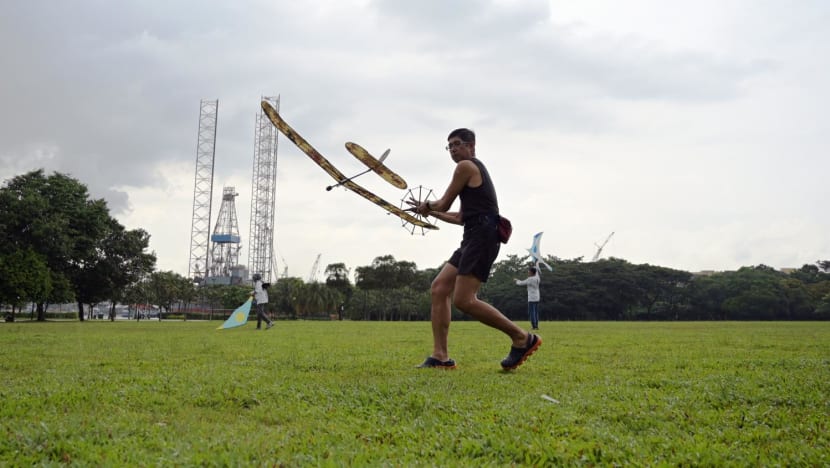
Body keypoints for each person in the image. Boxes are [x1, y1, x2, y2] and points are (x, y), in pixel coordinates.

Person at [407, 128, 541, 370]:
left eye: (457, 144)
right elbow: (460, 216)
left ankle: (522, 338)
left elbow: (444, 201)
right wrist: (430, 211)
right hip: (473, 234)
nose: (453, 149)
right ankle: (440, 357)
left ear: (472, 146)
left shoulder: (466, 166)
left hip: (482, 236)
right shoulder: (470, 173)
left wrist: (427, 206)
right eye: (449, 146)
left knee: (464, 300)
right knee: (439, 288)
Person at [515, 265, 541, 330]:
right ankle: (536, 325)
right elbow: (536, 272)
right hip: (537, 297)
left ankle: (534, 326)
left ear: (532, 272)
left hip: (531, 298)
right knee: (536, 312)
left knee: (532, 312)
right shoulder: (537, 278)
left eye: (529, 271)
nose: (528, 273)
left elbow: (521, 283)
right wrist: (536, 264)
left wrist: (517, 281)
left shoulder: (530, 279)